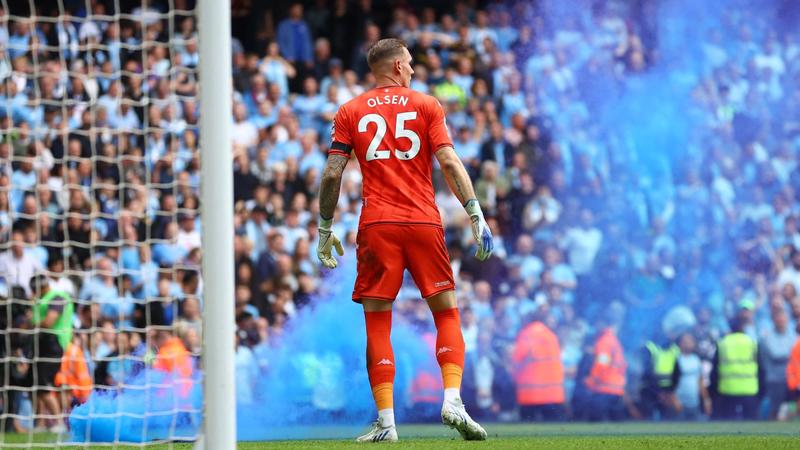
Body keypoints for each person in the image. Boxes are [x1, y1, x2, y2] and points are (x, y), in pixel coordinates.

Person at [317, 38, 493, 442]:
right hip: (423, 222)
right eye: (409, 63)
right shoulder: (427, 105)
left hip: (378, 224)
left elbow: (331, 173)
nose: (413, 69)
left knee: (378, 323)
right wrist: (474, 211)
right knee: (446, 313)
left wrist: (324, 229)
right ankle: (452, 399)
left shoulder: (350, 110)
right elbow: (448, 160)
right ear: (396, 66)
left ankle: (387, 422)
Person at [511, 305, 565, 421]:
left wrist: (514, 377)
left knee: (527, 432)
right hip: (553, 394)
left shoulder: (526, 335)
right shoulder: (551, 336)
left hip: (530, 394)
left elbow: (516, 360)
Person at [709, 318, 763, 420]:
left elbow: (714, 371)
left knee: (728, 427)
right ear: (743, 327)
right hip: (750, 390)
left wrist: (714, 392)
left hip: (727, 390)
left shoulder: (723, 344)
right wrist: (761, 391)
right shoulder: (752, 343)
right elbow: (761, 369)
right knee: (753, 428)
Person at [584, 302, 627, 421]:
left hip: (604, 389)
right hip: (616, 389)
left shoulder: (604, 341)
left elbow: (601, 364)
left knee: (594, 427)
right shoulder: (613, 340)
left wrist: (591, 381)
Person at [758, 308, 796, 419]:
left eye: (783, 319)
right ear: (773, 320)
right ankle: (772, 433)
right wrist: (792, 354)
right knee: (775, 409)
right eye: (778, 319)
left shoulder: (792, 335)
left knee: (791, 409)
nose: (781, 321)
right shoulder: (767, 336)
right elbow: (776, 353)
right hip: (775, 379)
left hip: (791, 380)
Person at [639, 332, 680, 420]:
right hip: (650, 391)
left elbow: (678, 373)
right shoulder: (650, 348)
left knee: (669, 420)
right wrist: (659, 392)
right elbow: (647, 373)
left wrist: (670, 393)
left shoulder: (675, 349)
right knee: (648, 419)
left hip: (669, 392)